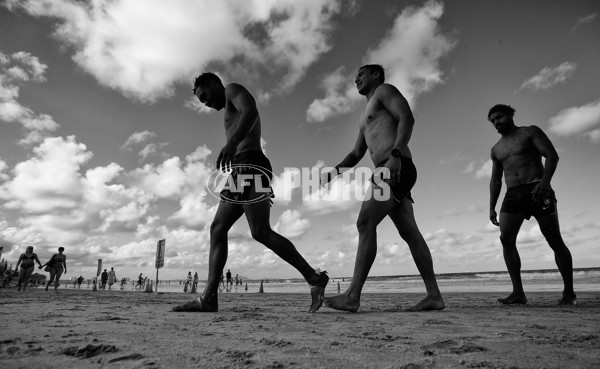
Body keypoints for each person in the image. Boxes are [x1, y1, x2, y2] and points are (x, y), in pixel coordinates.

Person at [173, 72, 329, 313]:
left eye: (205, 96)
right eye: (201, 102)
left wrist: (232, 142)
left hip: (249, 165)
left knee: (252, 231)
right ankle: (210, 298)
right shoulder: (227, 106)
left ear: (215, 83)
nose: (205, 103)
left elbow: (251, 112)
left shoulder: (233, 90)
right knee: (234, 229)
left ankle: (313, 277)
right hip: (244, 168)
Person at [321, 65, 445, 312]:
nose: (355, 78)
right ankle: (434, 296)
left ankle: (352, 296)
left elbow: (407, 117)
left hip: (394, 166)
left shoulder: (384, 91)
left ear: (376, 75)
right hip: (388, 169)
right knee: (410, 233)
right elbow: (357, 152)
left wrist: (396, 155)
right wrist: (335, 171)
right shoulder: (365, 115)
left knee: (365, 223)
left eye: (361, 74)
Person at [487, 104, 576, 305]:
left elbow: (552, 155)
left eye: (499, 117)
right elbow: (495, 180)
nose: (496, 123)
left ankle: (569, 293)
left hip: (537, 188)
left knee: (554, 240)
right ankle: (518, 293)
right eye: (492, 121)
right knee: (506, 239)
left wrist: (545, 181)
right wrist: (492, 206)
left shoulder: (530, 132)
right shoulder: (496, 149)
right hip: (513, 195)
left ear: (510, 115)